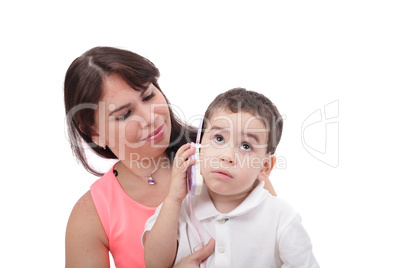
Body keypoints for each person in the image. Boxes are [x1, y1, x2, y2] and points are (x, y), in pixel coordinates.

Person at [64, 47, 277, 268]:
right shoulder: (91, 215)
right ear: (94, 133)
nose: (150, 117)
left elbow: (277, 250)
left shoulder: (224, 158)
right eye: (125, 114)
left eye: (148, 96)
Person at [143, 88, 319, 267]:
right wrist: (173, 199)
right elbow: (154, 264)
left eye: (246, 146)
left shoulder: (281, 218)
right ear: (198, 147)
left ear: (265, 167)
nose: (226, 156)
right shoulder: (178, 207)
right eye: (218, 138)